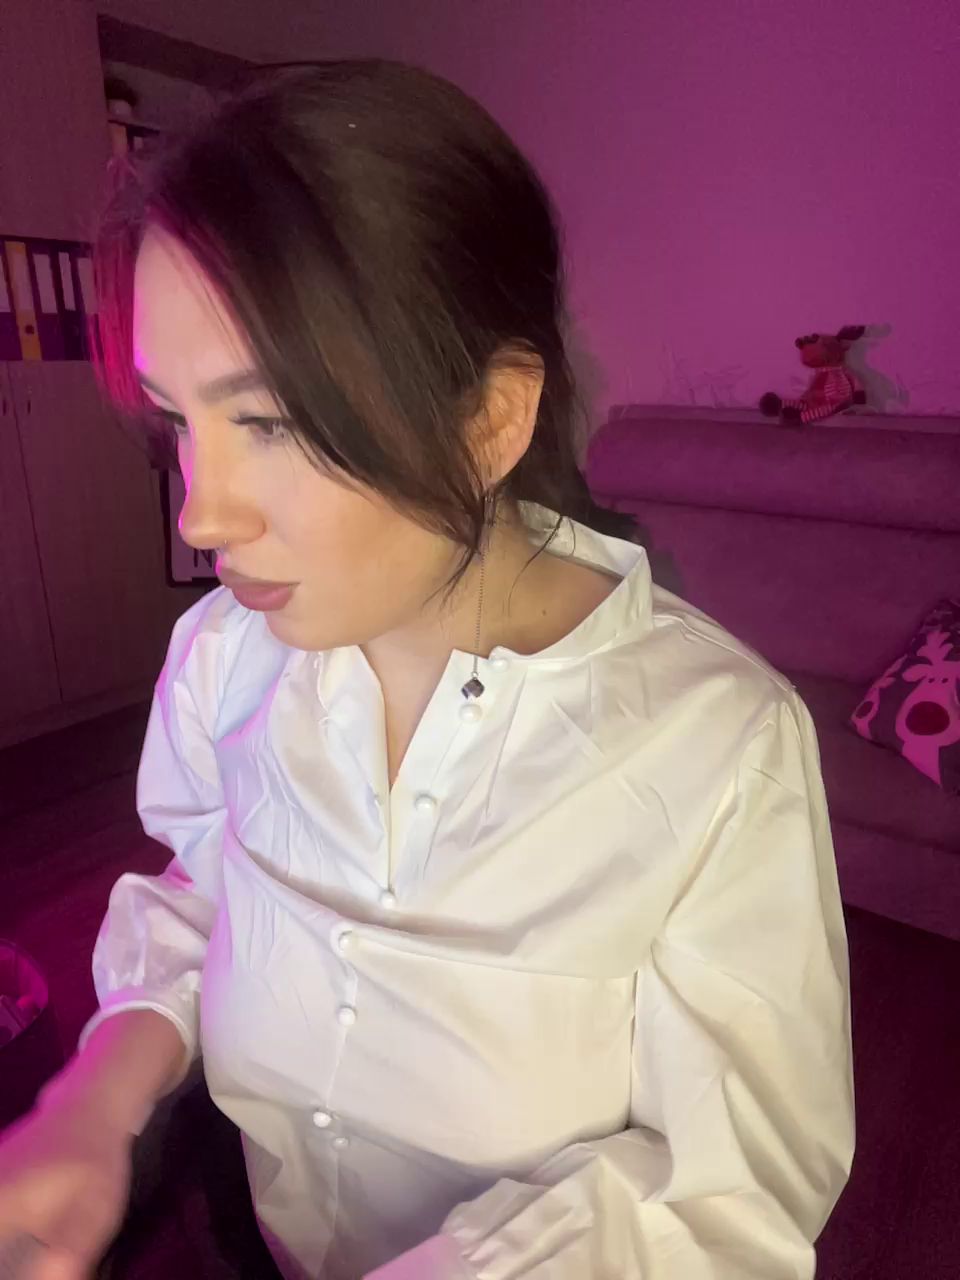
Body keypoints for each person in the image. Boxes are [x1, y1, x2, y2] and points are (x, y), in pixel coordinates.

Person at [0, 60, 854, 1280]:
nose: (199, 512)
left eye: (269, 421)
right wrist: (99, 1092)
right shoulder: (223, 659)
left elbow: (728, 1189)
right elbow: (208, 888)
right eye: (179, 421)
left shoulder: (717, 747)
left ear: (491, 421)